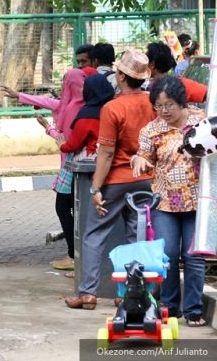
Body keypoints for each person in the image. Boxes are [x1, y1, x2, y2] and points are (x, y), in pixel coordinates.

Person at [65, 49, 156, 309]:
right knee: (134, 236)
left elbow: (105, 153)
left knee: (94, 234)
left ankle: (88, 293)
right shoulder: (152, 103)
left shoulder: (112, 108)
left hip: (116, 180)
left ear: (121, 76)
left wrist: (96, 188)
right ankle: (129, 293)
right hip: (146, 179)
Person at [132, 76, 207, 326]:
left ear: (182, 102)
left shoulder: (202, 120)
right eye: (159, 106)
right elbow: (140, 155)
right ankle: (169, 307)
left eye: (169, 105)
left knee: (194, 256)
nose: (164, 111)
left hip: (198, 202)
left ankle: (194, 310)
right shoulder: (151, 130)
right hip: (165, 202)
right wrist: (139, 162)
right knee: (168, 254)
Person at [2, 69, 87, 271]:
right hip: (78, 164)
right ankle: (76, 254)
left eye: (65, 82)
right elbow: (48, 103)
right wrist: (19, 96)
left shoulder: (74, 110)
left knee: (63, 208)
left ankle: (73, 255)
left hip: (73, 164)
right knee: (74, 209)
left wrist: (47, 127)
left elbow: (65, 142)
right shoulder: (76, 106)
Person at [54, 74, 115, 273]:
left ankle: (77, 258)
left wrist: (62, 144)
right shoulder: (113, 109)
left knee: (72, 210)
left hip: (86, 169)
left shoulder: (87, 114)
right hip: (112, 166)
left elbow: (74, 144)